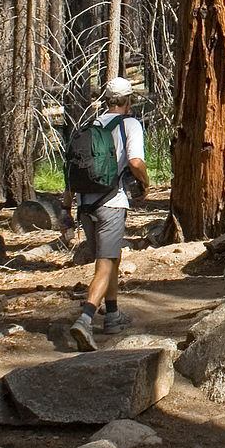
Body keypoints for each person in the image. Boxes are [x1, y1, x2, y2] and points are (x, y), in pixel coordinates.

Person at [64, 77, 149, 350]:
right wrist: (146, 184)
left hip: (85, 205)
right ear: (128, 100)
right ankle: (85, 319)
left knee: (109, 260)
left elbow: (70, 170)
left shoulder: (89, 126)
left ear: (106, 100)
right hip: (112, 202)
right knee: (106, 264)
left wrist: (67, 207)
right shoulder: (130, 124)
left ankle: (112, 314)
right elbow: (135, 162)